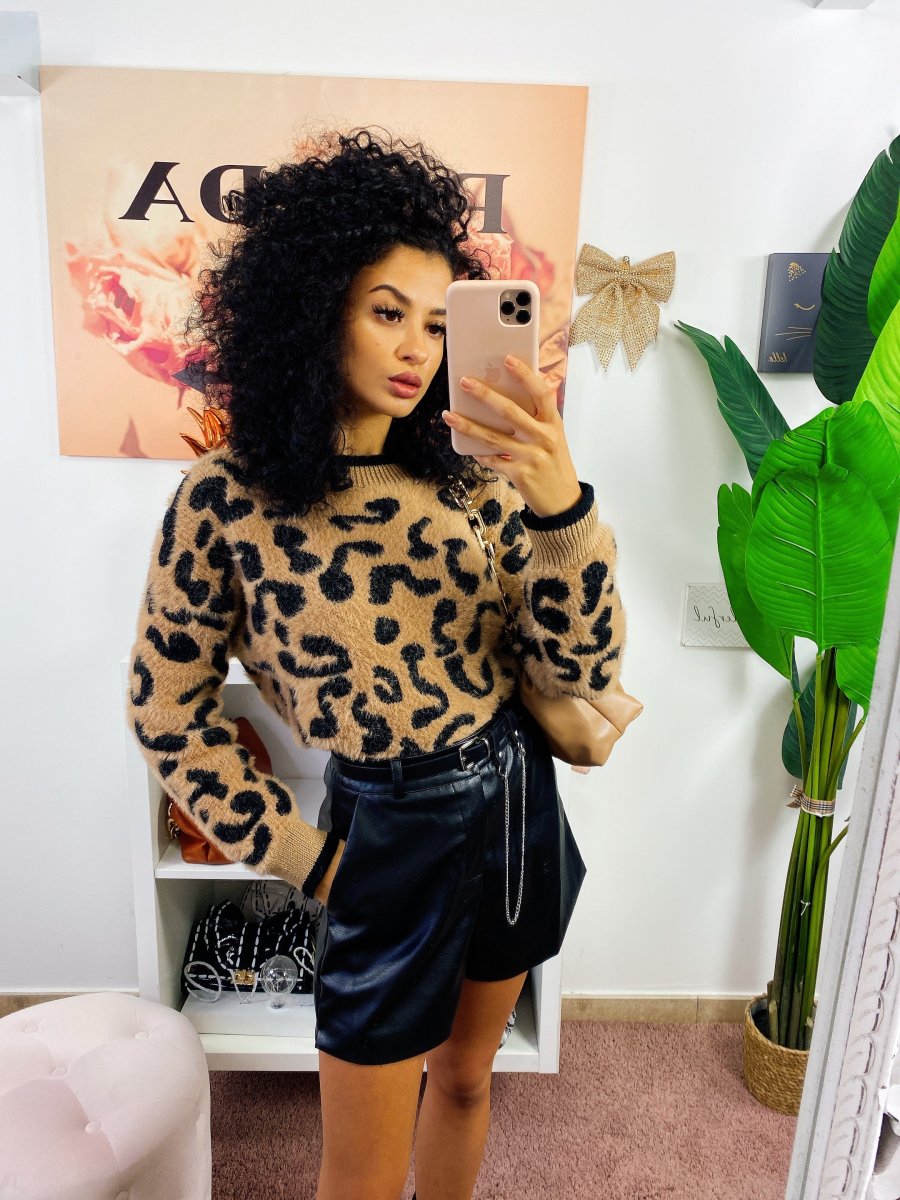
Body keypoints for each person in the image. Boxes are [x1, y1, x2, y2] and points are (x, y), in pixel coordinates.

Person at [126, 128, 628, 1200]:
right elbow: (166, 708)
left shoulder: (472, 480)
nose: (416, 349)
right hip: (385, 829)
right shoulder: (227, 498)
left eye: (438, 323)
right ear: (315, 312)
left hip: (513, 801)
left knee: (467, 1079)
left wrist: (562, 508)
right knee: (355, 1169)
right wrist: (304, 856)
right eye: (387, 311)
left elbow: (580, 664)